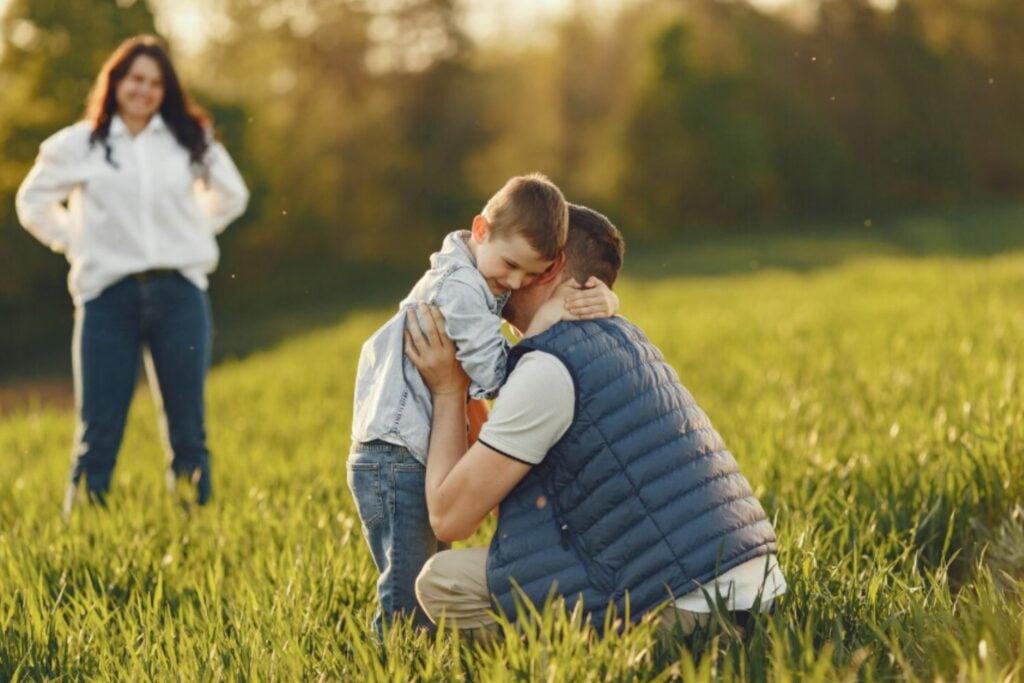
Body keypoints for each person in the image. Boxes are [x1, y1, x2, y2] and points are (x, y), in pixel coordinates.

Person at [405, 205, 786, 638]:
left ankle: (574, 666)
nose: (496, 278)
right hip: (745, 587)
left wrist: (448, 391)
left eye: (523, 264)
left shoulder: (549, 370)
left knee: (442, 581)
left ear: (554, 270)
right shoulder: (624, 337)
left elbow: (451, 518)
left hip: (687, 603)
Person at [348, 174, 618, 635]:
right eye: (511, 265)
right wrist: (550, 318)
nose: (514, 282)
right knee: (406, 597)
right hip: (395, 458)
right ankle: (393, 660)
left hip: (411, 453)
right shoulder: (460, 288)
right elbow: (495, 375)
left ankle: (420, 656)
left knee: (419, 581)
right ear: (479, 230)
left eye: (531, 276)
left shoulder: (478, 274)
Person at [15, 35, 249, 516]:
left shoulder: (190, 139)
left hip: (179, 293)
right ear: (116, 81)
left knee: (188, 428)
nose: (144, 90)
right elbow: (31, 202)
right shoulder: (80, 143)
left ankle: (194, 524)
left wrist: (189, 231)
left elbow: (232, 196)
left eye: (156, 82)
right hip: (107, 296)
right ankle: (84, 531)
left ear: (167, 90)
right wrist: (73, 239)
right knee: (97, 430)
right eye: (135, 78)